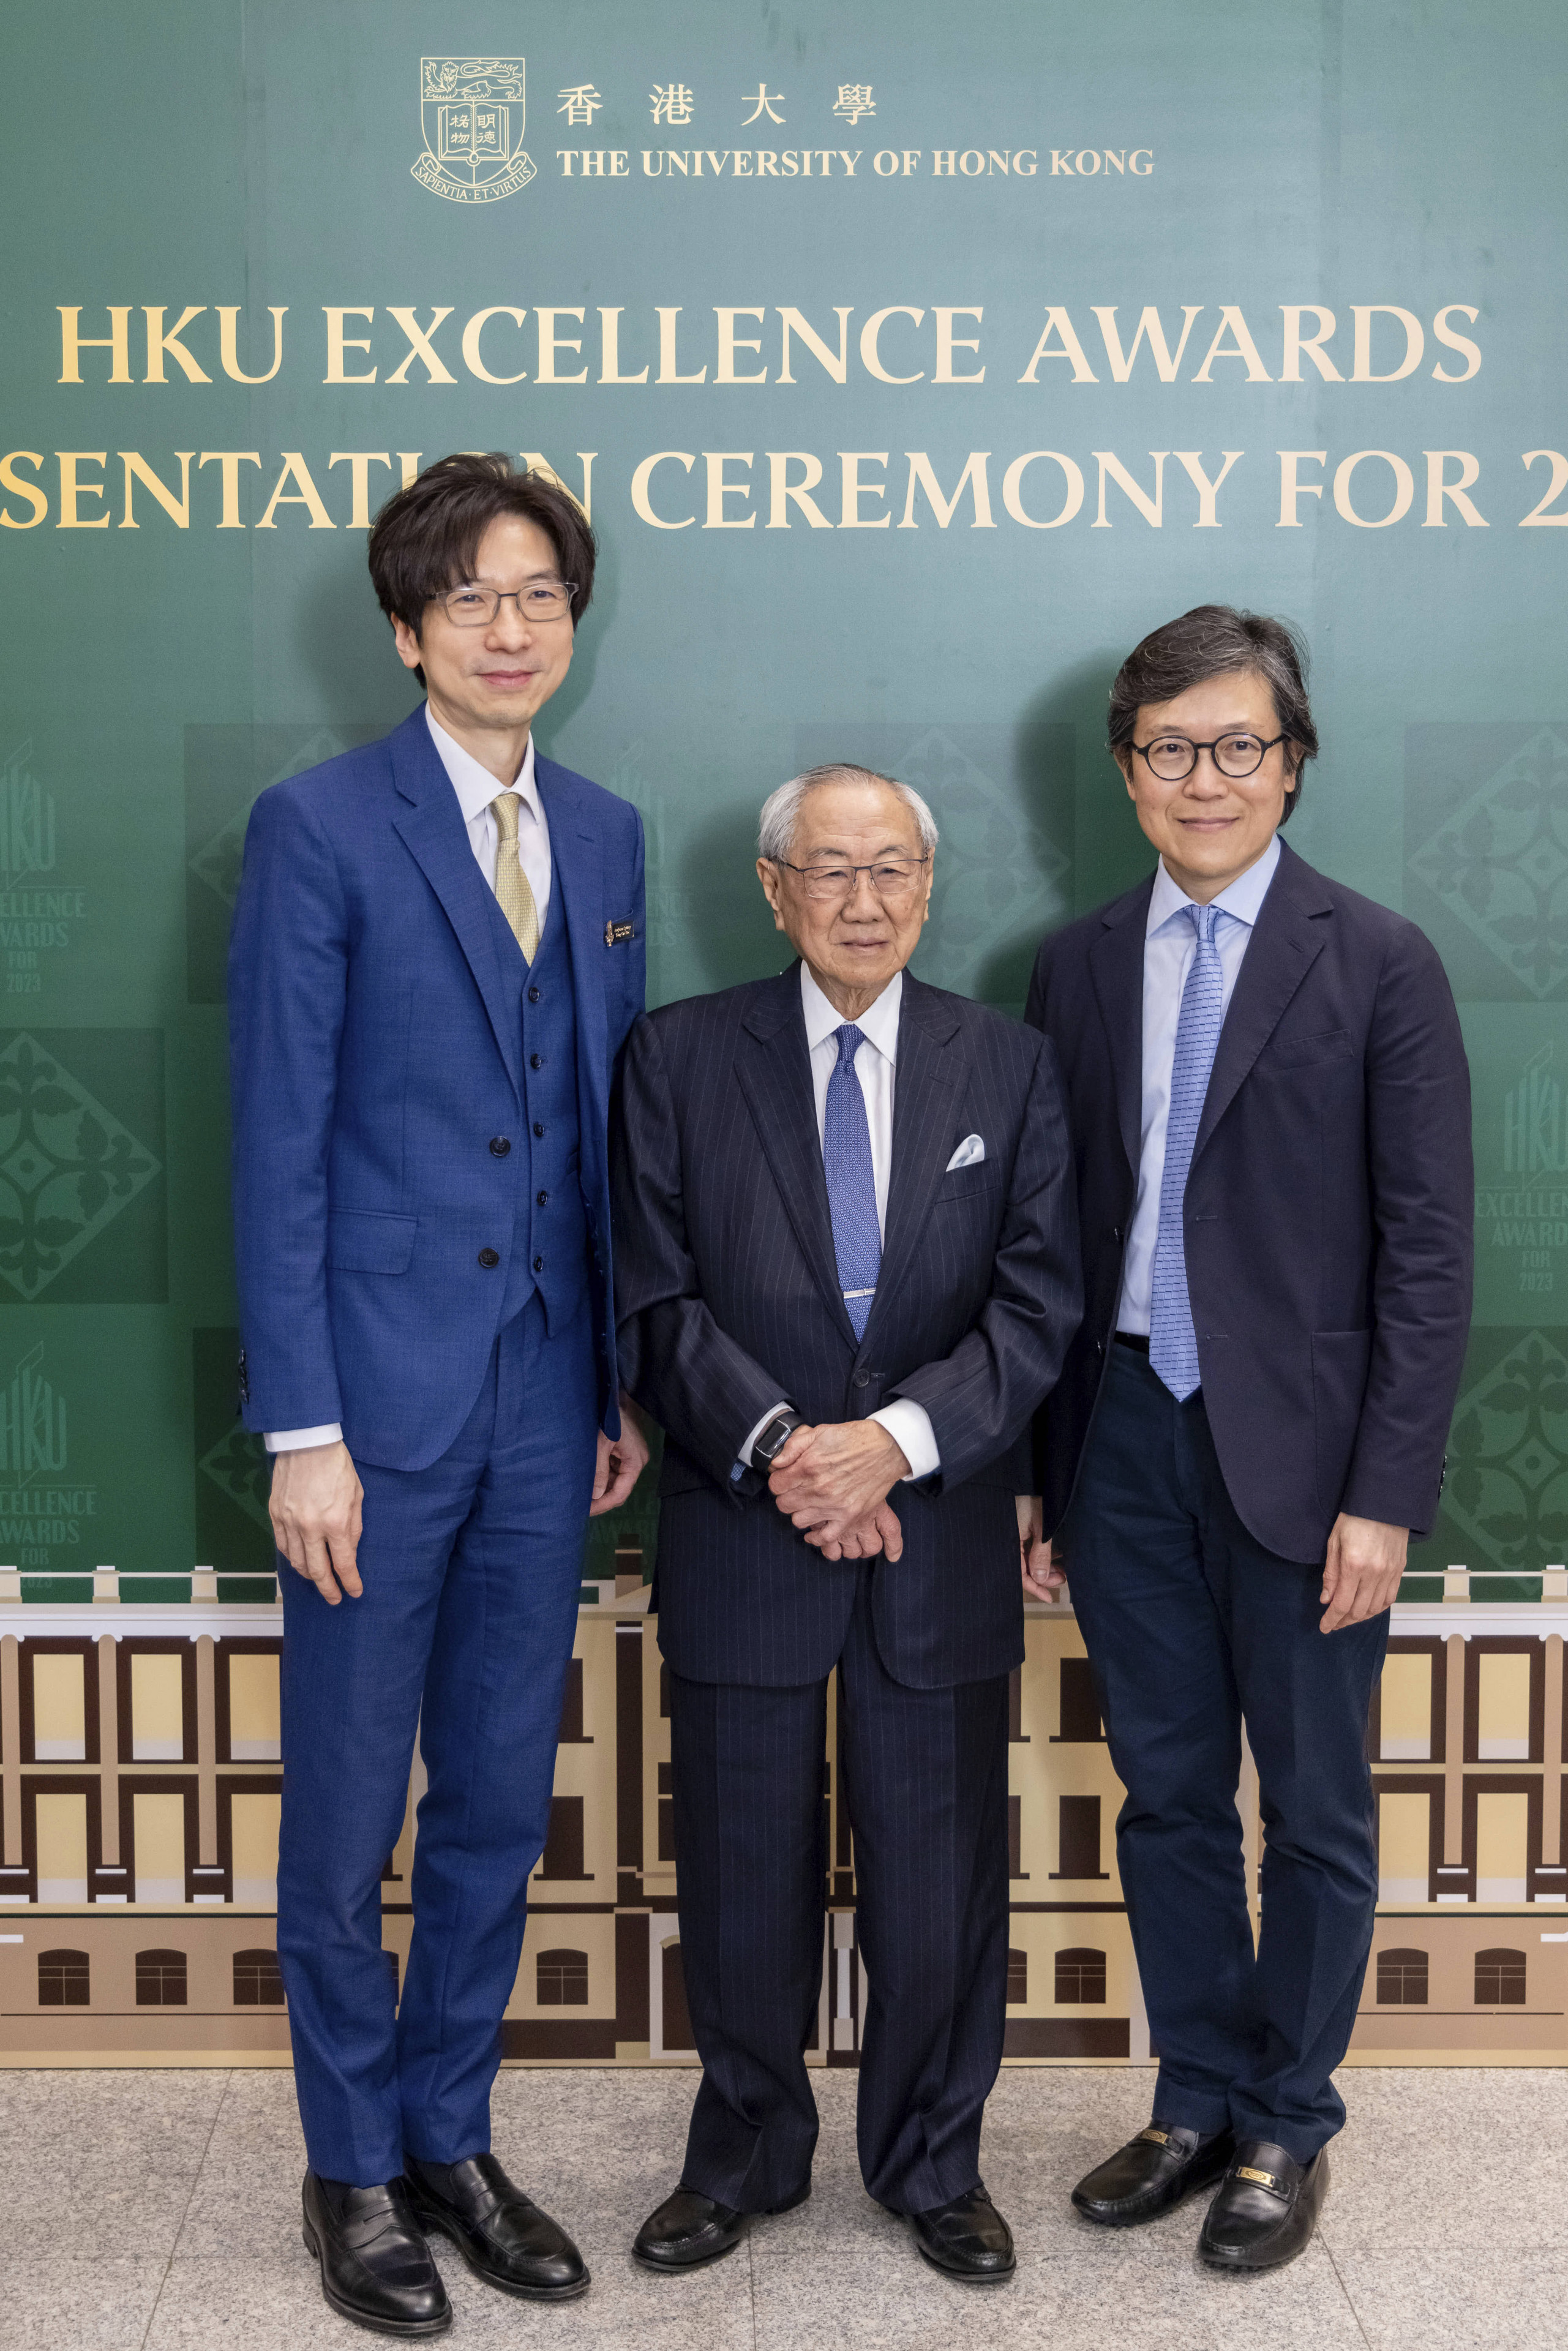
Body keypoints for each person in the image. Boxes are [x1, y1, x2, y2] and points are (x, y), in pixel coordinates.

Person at [228, 452, 650, 2335]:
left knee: (492, 1793)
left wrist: (619, 1372)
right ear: (407, 631)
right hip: (372, 1421)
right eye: (471, 597)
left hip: (553, 1400)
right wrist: (303, 1431)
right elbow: (277, 1146)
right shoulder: (319, 827)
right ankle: (351, 2168)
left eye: (539, 593)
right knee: (345, 1815)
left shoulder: (609, 834)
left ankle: (450, 2137)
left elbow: (608, 1123)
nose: (509, 626)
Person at [1021, 606, 1472, 2271]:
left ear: (1291, 765)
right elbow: (1048, 1240)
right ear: (1127, 768)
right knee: (1167, 1796)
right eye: (1169, 748)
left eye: (1237, 746)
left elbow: (1429, 1254)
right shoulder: (1074, 965)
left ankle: (1290, 2120)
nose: (1202, 778)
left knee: (1318, 1811)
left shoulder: (1380, 960)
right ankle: (1195, 2097)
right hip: (1124, 1430)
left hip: (1309, 1457)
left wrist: (1385, 1492)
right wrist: (1043, 1472)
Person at [612, 763, 1081, 2284]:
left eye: (892, 870)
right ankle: (744, 2154)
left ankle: (934, 2163)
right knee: (741, 1868)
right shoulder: (679, 1057)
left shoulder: (1008, 1065)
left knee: (939, 1883)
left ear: (929, 889)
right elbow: (656, 1297)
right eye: (830, 869)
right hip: (744, 1521)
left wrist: (889, 1448)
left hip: (934, 1526)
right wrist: (786, 1455)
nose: (863, 900)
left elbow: (1039, 1304)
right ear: (775, 890)